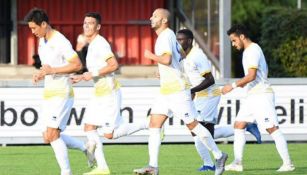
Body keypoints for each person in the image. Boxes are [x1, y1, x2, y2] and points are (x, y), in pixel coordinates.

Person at [133, 8, 228, 175]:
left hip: (177, 90)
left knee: (193, 125)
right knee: (154, 125)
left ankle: (219, 155)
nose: (150, 18)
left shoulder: (165, 36)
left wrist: (151, 56)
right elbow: (182, 55)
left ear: (163, 20)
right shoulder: (169, 35)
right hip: (167, 90)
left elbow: (168, 59)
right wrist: (164, 70)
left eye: (155, 16)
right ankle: (153, 167)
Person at [70, 12, 147, 175]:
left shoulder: (100, 44)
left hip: (109, 93)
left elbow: (113, 65)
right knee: (89, 127)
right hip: (99, 93)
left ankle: (147, 123)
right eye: (85, 23)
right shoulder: (91, 45)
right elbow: (94, 72)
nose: (86, 25)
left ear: (98, 27)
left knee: (109, 134)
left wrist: (91, 74)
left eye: (90, 23)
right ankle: (102, 167)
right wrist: (83, 77)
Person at [176, 29, 262, 172]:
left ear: (189, 41)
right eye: (177, 40)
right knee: (201, 133)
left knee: (197, 131)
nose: (178, 43)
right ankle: (243, 128)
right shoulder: (185, 56)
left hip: (210, 95)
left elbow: (210, 80)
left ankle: (210, 162)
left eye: (181, 40)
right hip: (201, 97)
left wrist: (191, 91)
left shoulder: (197, 55)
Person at [24, 8, 94, 175]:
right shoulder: (42, 41)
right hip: (49, 92)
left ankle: (66, 172)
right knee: (47, 137)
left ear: (44, 24)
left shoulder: (60, 41)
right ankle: (86, 148)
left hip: (61, 93)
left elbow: (77, 65)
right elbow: (49, 67)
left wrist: (52, 70)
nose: (32, 32)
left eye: (34, 28)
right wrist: (41, 73)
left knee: (53, 134)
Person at [222, 24, 295, 172]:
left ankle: (288, 164)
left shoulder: (253, 50)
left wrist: (233, 86)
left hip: (261, 95)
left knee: (271, 128)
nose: (233, 44)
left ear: (242, 37)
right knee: (239, 125)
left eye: (234, 40)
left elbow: (251, 76)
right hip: (253, 95)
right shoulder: (248, 51)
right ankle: (237, 163)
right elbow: (250, 78)